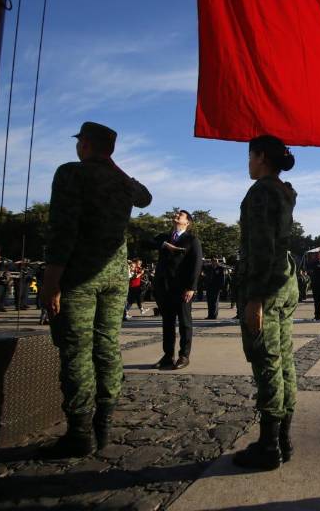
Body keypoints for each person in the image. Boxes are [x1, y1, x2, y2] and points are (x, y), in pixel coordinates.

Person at [39, 121, 152, 458]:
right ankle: (103, 423)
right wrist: (113, 166)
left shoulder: (71, 174)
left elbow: (63, 229)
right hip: (114, 276)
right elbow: (145, 197)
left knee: (76, 351)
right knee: (105, 347)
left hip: (79, 276)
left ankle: (79, 432)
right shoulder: (123, 182)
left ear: (84, 144)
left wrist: (51, 280)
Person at [233, 135, 298, 470]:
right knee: (284, 359)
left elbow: (260, 247)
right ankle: (283, 440)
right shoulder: (284, 191)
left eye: (250, 156)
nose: (248, 163)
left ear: (260, 157)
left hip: (266, 287)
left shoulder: (261, 192)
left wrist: (255, 298)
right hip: (284, 283)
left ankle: (268, 446)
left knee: (267, 361)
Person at [152, 210, 203, 370]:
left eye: (180, 215)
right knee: (167, 323)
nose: (176, 216)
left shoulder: (192, 240)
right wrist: (163, 245)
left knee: (184, 323)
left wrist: (191, 287)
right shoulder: (164, 237)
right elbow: (145, 241)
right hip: (164, 287)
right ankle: (168, 355)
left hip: (182, 289)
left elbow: (196, 265)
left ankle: (184, 355)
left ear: (187, 222)